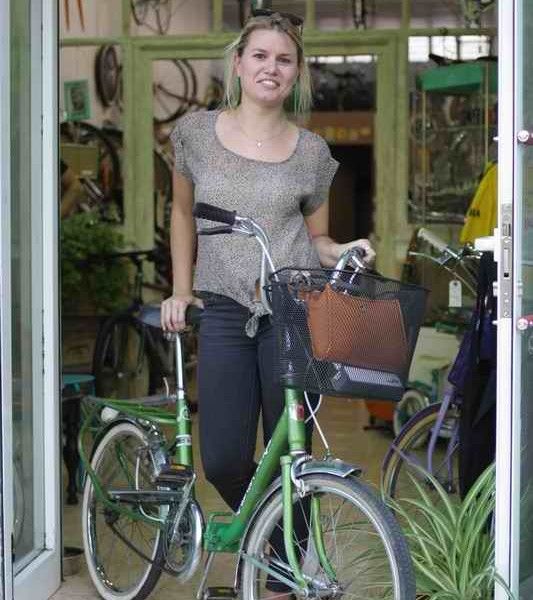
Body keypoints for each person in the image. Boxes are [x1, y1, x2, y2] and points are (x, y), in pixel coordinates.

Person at [161, 10, 375, 597]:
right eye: (259, 55)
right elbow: (181, 211)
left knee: (291, 457)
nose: (270, 68)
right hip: (225, 308)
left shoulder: (311, 152)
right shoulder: (196, 133)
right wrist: (181, 288)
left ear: (296, 72)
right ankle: (271, 542)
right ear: (238, 63)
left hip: (294, 310)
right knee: (225, 457)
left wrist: (343, 250)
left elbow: (316, 238)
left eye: (284, 59)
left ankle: (281, 579)